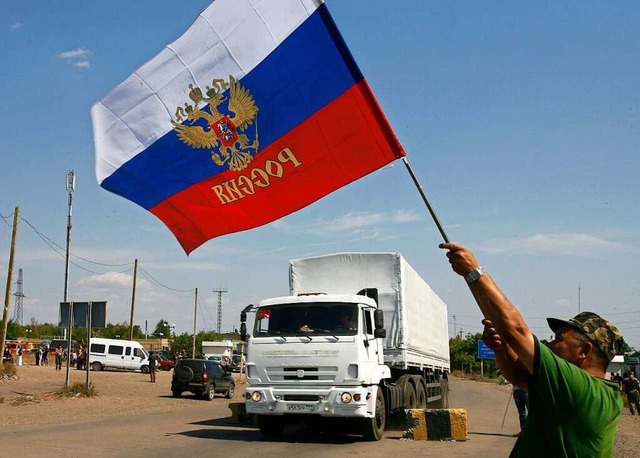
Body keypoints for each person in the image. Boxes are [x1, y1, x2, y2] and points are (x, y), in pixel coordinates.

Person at [440, 242, 624, 457]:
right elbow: (519, 377)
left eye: (558, 339)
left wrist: (473, 271)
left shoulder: (581, 388)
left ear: (584, 351)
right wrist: (501, 348)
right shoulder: (598, 393)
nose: (550, 345)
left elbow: (516, 331)